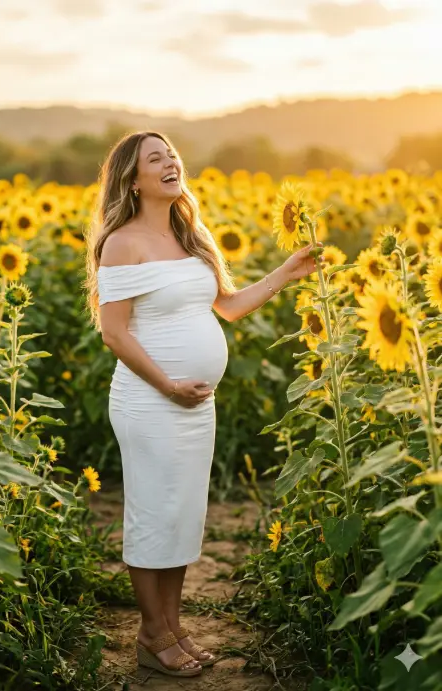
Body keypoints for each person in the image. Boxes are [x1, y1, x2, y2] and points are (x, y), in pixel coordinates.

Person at [84, 131, 323, 678]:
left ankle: (171, 628)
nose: (170, 163)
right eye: (155, 159)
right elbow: (115, 334)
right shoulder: (122, 242)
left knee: (183, 516)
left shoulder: (192, 235)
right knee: (153, 512)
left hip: (195, 406)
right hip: (149, 402)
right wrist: (168, 384)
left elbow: (231, 307)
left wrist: (287, 271)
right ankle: (150, 634)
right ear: (132, 178)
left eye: (171, 155)